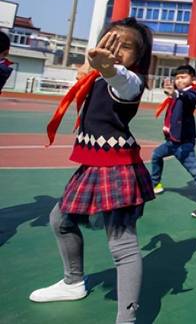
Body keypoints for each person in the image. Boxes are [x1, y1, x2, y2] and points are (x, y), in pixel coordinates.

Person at [30, 17, 155, 324]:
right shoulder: (96, 77)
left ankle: (126, 320)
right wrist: (94, 68)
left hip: (117, 168)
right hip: (93, 165)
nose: (117, 50)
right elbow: (99, 73)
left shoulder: (129, 81)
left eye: (126, 47)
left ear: (137, 58)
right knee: (60, 220)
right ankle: (73, 283)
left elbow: (120, 80)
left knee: (122, 246)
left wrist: (109, 67)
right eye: (111, 42)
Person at [151, 64, 196, 218]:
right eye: (177, 78)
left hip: (183, 143)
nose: (180, 80)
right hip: (171, 141)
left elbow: (186, 97)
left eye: (183, 77)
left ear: (192, 79)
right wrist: (172, 92)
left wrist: (175, 93)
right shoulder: (177, 93)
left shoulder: (192, 93)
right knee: (156, 155)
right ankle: (155, 184)